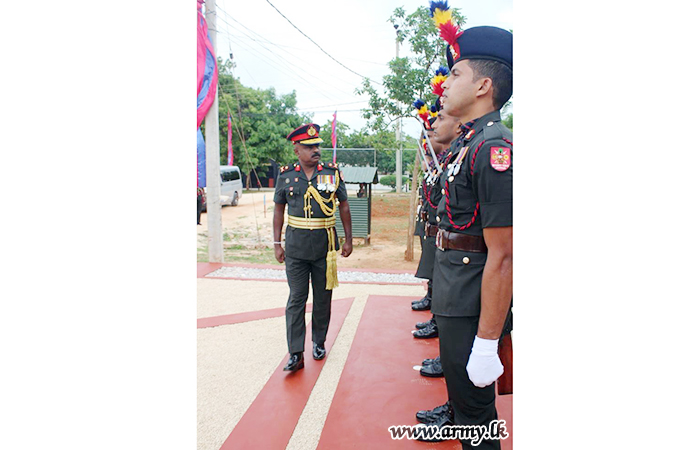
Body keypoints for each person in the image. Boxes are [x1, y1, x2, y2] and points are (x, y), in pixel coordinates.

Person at [430, 26, 513, 449]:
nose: (445, 83)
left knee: (476, 421)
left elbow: (504, 255)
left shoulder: (494, 148)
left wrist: (486, 342)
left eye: (455, 73)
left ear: (483, 86)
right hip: (453, 290)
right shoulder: (468, 141)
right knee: (465, 411)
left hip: (471, 302)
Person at [273, 123, 353, 372]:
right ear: (297, 149)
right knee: (296, 299)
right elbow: (279, 209)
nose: (315, 150)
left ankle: (319, 342)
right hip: (295, 248)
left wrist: (349, 239)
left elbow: (344, 205)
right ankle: (296, 353)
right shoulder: (286, 175)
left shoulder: (331, 172)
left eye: (317, 145)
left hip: (324, 247)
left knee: (322, 298)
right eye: (309, 147)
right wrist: (276, 243)